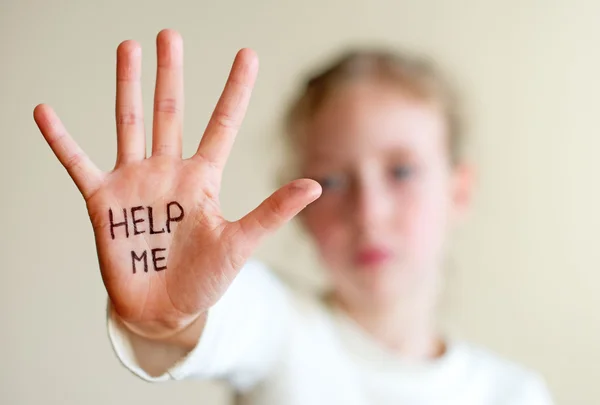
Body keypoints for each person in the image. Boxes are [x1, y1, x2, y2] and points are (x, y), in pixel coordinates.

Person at [34, 29, 554, 404]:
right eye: (330, 181)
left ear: (458, 192)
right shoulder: (282, 326)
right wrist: (170, 316)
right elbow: (227, 317)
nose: (369, 213)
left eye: (401, 171)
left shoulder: (517, 393)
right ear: (299, 209)